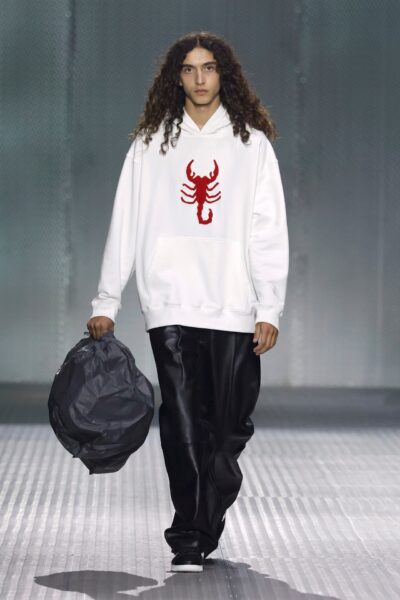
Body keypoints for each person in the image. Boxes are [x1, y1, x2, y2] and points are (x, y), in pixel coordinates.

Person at [87, 31, 289, 573]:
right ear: (176, 77)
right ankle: (189, 535)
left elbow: (268, 230)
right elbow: (125, 222)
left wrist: (268, 307)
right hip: (170, 300)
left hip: (233, 303)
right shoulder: (151, 144)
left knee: (228, 426)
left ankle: (205, 515)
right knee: (180, 419)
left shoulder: (252, 145)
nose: (200, 78)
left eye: (209, 68)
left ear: (224, 75)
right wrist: (107, 299)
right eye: (189, 69)